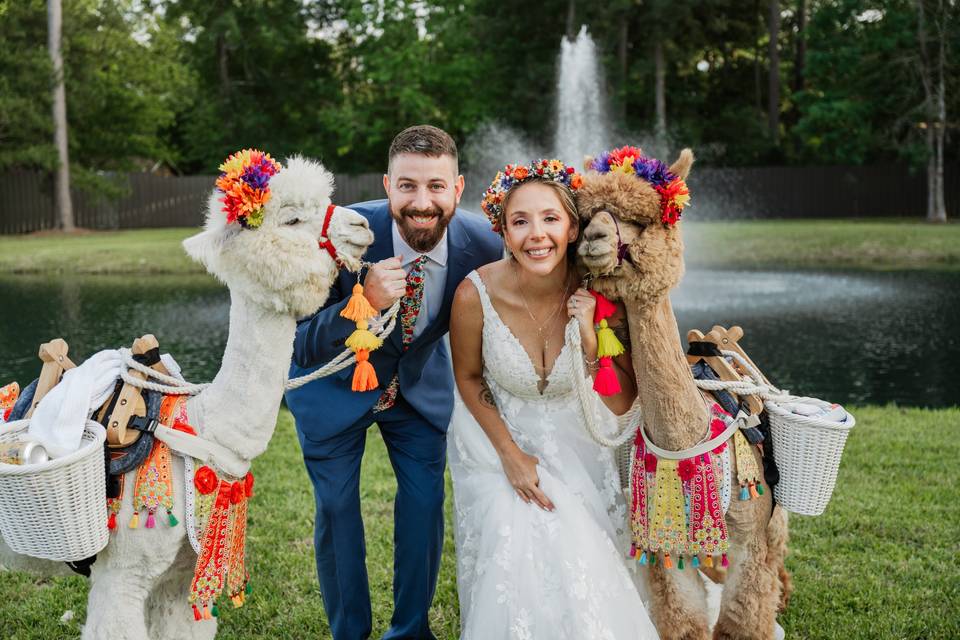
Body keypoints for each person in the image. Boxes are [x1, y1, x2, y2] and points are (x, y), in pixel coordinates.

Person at [285, 125, 502, 640]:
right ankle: (350, 634)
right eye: (407, 186)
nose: (421, 201)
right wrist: (361, 301)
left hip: (418, 391)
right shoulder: (336, 234)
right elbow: (298, 342)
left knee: (424, 507)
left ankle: (410, 632)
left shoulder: (486, 245)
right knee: (337, 510)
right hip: (333, 391)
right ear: (387, 185)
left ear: (458, 186)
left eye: (435, 186)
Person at [447, 159, 659, 639]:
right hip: (494, 436)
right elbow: (467, 376)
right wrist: (511, 455)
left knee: (575, 540)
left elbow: (624, 403)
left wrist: (588, 339)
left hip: (577, 440)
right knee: (520, 524)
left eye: (550, 219)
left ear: (571, 227)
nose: (535, 234)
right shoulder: (473, 294)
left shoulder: (598, 291)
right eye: (520, 221)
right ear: (503, 229)